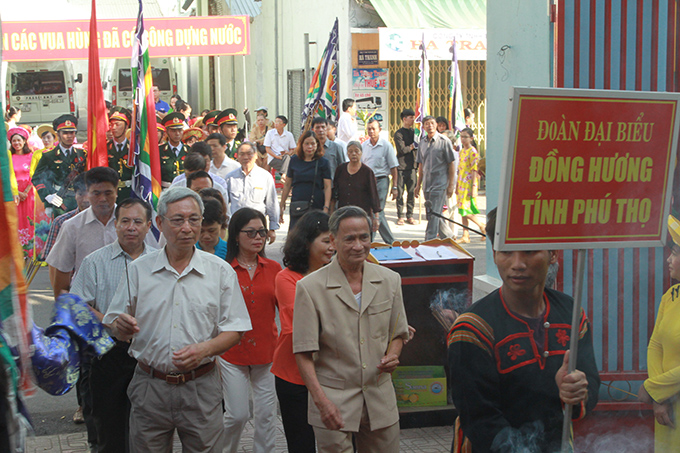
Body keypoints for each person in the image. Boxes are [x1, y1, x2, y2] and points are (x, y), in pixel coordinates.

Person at [103, 187, 252, 452]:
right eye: (178, 220)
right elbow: (115, 325)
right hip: (149, 385)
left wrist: (204, 349)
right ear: (159, 223)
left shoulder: (220, 272)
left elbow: (236, 329)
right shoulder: (139, 270)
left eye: (194, 220)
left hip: (202, 386)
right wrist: (119, 326)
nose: (187, 228)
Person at [448, 209, 600, 453]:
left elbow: (590, 384)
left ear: (553, 254)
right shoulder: (473, 329)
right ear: (495, 254)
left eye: (529, 251)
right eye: (506, 252)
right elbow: (478, 416)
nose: (517, 264)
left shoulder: (572, 315)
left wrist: (576, 391)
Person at [293, 205, 409, 452]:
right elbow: (303, 353)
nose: (359, 245)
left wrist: (393, 354)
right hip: (334, 400)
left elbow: (399, 332)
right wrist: (321, 402)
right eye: (350, 239)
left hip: (380, 398)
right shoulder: (310, 288)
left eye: (364, 237)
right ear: (333, 240)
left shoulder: (390, 280)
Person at [70, 198, 154, 453]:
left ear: (149, 226)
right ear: (115, 225)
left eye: (138, 221)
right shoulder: (95, 262)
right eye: (125, 221)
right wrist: (109, 320)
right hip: (107, 354)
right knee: (109, 430)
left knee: (149, 430)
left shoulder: (161, 262)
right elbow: (77, 305)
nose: (131, 227)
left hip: (149, 355)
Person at [219, 208, 281, 453]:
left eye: (262, 232)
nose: (258, 238)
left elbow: (287, 310)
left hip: (267, 353)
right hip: (231, 354)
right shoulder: (224, 270)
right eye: (251, 232)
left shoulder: (274, 269)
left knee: (267, 415)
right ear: (236, 236)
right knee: (237, 415)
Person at [273, 210, 334, 452]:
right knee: (301, 444)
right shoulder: (286, 278)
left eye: (334, 241)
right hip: (293, 375)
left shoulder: (339, 274)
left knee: (339, 441)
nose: (332, 247)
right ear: (307, 242)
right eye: (326, 241)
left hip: (332, 372)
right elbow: (299, 326)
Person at [638, 215, 680, 451]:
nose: (668, 259)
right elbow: (655, 345)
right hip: (668, 408)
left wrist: (655, 388)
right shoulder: (671, 297)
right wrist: (659, 397)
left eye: (674, 252)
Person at [46, 166, 119, 296]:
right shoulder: (71, 226)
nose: (102, 199)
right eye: (96, 193)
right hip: (85, 305)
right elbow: (61, 272)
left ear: (116, 192)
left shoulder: (132, 222)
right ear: (88, 193)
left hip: (124, 303)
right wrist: (64, 309)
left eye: (108, 193)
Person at [224, 142, 280, 244]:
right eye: (242, 154)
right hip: (237, 228)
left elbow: (272, 204)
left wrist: (272, 229)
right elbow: (224, 205)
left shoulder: (265, 177)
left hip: (257, 229)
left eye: (249, 153)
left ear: (256, 156)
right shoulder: (230, 178)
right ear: (237, 157)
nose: (246, 157)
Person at [32, 114, 87, 217]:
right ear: (58, 134)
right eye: (65, 133)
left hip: (80, 200)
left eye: (72, 132)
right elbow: (37, 178)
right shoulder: (49, 155)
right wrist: (47, 196)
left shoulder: (82, 154)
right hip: (60, 200)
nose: (69, 136)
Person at [279, 130, 332, 230]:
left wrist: (326, 207)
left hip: (316, 204)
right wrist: (282, 204)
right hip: (297, 204)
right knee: (296, 234)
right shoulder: (294, 160)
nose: (310, 147)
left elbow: (327, 186)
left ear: (317, 145)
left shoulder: (323, 162)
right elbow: (287, 184)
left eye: (313, 144)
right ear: (301, 144)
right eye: (307, 144)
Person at [415, 115, 456, 241]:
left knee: (434, 214)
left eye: (432, 123)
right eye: (427, 123)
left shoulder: (444, 141)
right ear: (423, 127)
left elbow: (451, 165)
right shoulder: (422, 142)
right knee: (432, 214)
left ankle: (429, 240)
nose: (430, 126)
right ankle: (448, 236)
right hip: (427, 184)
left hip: (440, 183)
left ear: (436, 125)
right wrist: (418, 185)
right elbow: (421, 165)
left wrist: (450, 186)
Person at [362, 118, 398, 245]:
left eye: (374, 129)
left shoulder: (386, 145)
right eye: (369, 129)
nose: (371, 131)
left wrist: (395, 187)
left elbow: (394, 167)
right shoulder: (364, 146)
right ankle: (389, 241)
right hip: (367, 183)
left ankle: (374, 241)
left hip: (381, 180)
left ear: (379, 130)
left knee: (378, 210)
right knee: (373, 211)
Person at [332, 141, 380, 234]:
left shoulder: (367, 172)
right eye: (350, 151)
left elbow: (374, 195)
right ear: (347, 153)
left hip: (362, 215)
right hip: (343, 214)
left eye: (356, 151)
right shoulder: (340, 169)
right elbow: (335, 192)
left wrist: (376, 217)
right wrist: (331, 212)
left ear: (361, 153)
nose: (353, 154)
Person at [41, 173, 89, 261]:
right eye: (81, 194)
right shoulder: (61, 222)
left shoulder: (110, 221)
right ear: (75, 195)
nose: (85, 199)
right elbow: (50, 258)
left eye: (90, 194)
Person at [8, 127, 37, 258]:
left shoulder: (31, 156)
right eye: (14, 141)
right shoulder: (9, 157)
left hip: (29, 193)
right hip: (14, 194)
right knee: (16, 220)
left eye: (19, 140)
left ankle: (30, 250)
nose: (16, 143)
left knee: (29, 219)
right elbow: (7, 175)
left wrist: (26, 191)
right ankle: (18, 251)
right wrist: (18, 192)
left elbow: (34, 175)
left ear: (24, 141)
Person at [455, 127, 486, 243]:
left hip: (468, 183)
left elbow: (474, 170)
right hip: (462, 182)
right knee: (462, 210)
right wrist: (457, 185)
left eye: (465, 137)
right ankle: (465, 234)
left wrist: (474, 186)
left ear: (471, 138)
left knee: (466, 209)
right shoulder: (462, 151)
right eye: (461, 137)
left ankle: (482, 226)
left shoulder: (472, 152)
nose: (463, 139)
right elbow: (460, 169)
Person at [393, 108, 418, 226]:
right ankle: (400, 216)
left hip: (412, 166)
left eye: (414, 117)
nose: (413, 119)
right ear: (404, 119)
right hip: (401, 167)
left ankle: (410, 215)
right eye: (410, 117)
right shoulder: (398, 134)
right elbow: (402, 150)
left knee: (411, 192)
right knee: (400, 192)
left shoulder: (415, 133)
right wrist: (413, 146)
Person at [106, 109, 133, 202]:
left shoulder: (134, 149)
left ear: (126, 127)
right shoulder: (105, 148)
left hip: (129, 192)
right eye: (111, 125)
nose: (113, 128)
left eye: (117, 124)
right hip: (110, 193)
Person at [159, 112, 190, 187]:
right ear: (167, 132)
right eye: (173, 131)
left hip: (184, 189)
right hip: (166, 189)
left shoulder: (189, 150)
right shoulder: (159, 150)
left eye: (180, 130)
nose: (177, 134)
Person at [311, 117, 346, 181]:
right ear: (313, 130)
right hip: (314, 186)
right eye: (317, 127)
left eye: (323, 127)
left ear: (326, 128)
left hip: (332, 186)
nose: (321, 130)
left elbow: (343, 169)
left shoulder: (337, 148)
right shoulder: (310, 148)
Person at [263, 115, 296, 180]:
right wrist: (277, 156)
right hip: (273, 158)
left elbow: (293, 149)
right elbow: (267, 149)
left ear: (284, 124)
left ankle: (284, 175)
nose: (276, 124)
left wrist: (288, 153)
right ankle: (285, 176)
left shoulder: (289, 135)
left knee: (287, 157)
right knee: (291, 166)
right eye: (276, 122)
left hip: (285, 157)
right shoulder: (270, 133)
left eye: (278, 122)